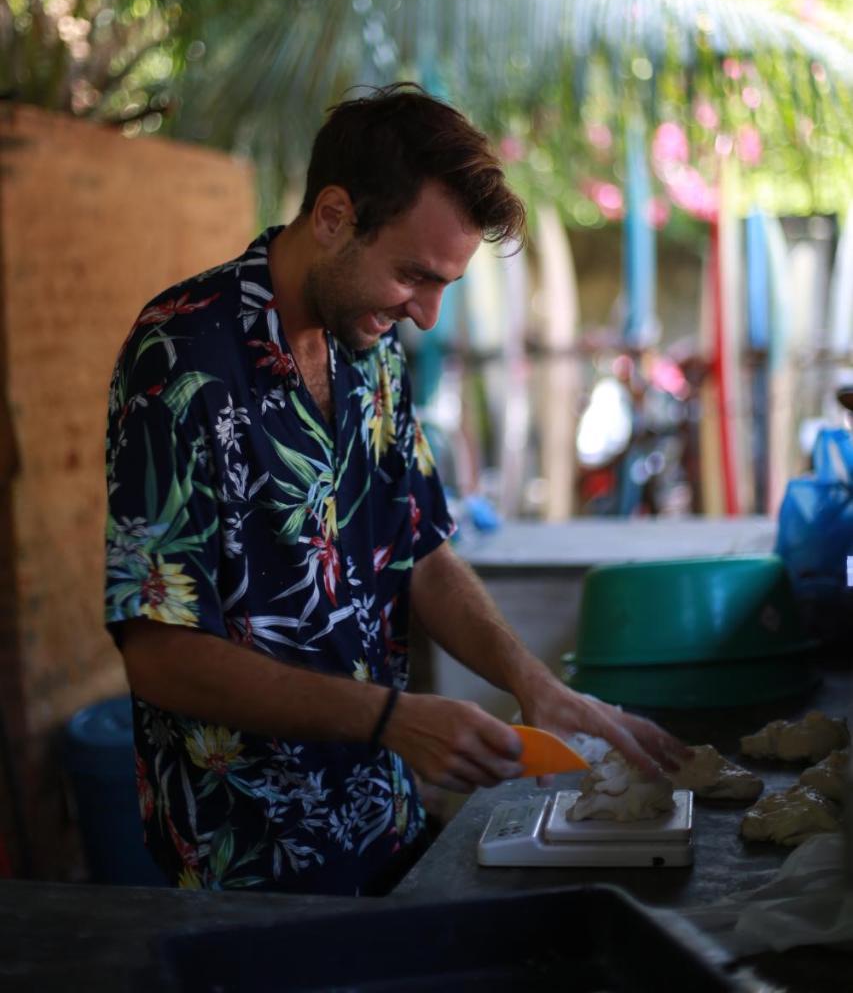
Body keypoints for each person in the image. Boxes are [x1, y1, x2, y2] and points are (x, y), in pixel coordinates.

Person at [104, 83, 686, 895]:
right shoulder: (181, 359)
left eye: (445, 284)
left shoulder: (368, 350)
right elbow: (161, 657)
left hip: (386, 815)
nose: (428, 315)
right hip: (247, 858)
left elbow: (418, 546)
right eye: (414, 275)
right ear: (334, 217)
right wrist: (391, 717)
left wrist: (534, 684)